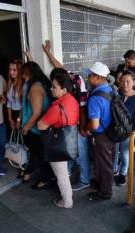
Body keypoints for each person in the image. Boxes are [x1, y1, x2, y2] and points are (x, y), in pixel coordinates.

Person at [42, 40, 91, 191]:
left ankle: (85, 179)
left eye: (54, 85)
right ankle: (68, 174)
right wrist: (48, 52)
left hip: (77, 124)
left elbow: (83, 106)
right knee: (67, 149)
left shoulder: (77, 81)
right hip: (66, 125)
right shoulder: (63, 77)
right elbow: (58, 66)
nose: (52, 87)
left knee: (81, 153)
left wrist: (82, 127)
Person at [37, 69, 79, 208]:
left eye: (54, 87)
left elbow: (41, 126)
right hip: (70, 139)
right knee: (64, 171)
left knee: (61, 175)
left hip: (58, 144)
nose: (51, 89)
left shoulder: (56, 107)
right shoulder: (72, 100)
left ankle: (67, 201)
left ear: (64, 90)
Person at [84, 62, 115, 200]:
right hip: (111, 132)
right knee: (105, 162)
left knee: (104, 165)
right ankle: (101, 184)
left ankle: (105, 192)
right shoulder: (109, 89)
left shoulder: (95, 98)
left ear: (97, 78)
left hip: (101, 135)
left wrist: (86, 128)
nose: (87, 77)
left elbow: (94, 125)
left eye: (90, 75)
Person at [21, 61, 54, 187]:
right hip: (37, 128)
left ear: (29, 74)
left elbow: (36, 112)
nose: (23, 76)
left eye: (24, 74)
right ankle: (32, 172)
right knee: (36, 153)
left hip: (35, 129)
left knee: (40, 155)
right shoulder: (40, 84)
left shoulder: (35, 87)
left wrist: (26, 127)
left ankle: (45, 179)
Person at [114, 71, 135, 186]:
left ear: (134, 82)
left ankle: (123, 174)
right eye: (122, 81)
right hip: (114, 129)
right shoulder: (116, 94)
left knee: (125, 153)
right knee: (114, 151)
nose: (125, 84)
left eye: (128, 81)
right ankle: (115, 170)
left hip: (129, 131)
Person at [6, 60, 23, 132]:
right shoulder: (10, 83)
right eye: (10, 69)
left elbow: (24, 106)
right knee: (13, 138)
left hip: (21, 115)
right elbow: (9, 102)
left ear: (20, 71)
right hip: (12, 114)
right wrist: (10, 119)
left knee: (22, 139)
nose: (11, 72)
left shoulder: (23, 85)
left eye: (14, 70)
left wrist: (19, 120)